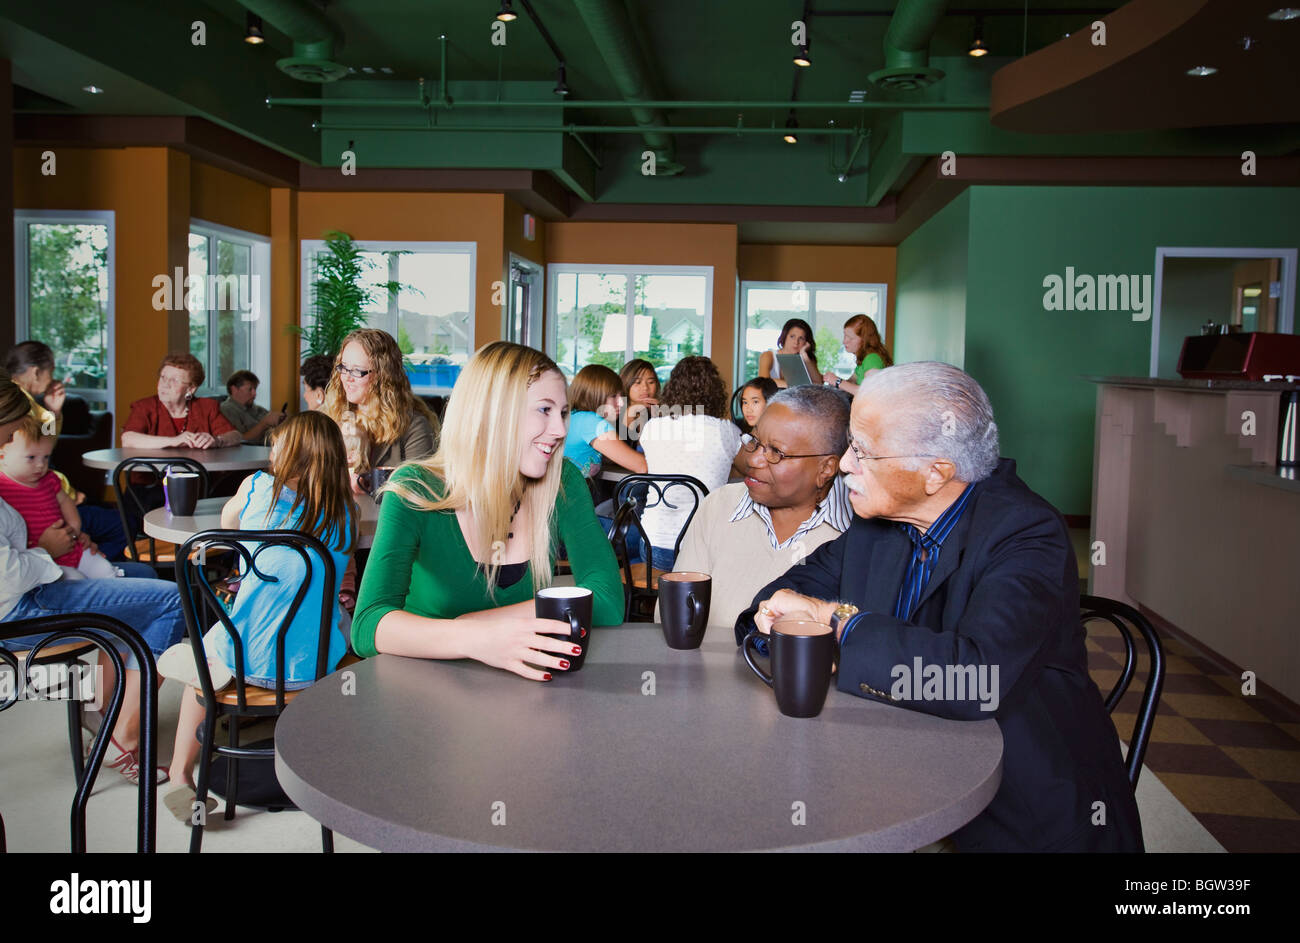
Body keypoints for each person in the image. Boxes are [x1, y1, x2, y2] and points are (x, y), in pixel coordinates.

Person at [739, 362, 1142, 853]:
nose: (844, 464)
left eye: (863, 451)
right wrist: (779, 618)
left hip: (1019, 808)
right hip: (886, 772)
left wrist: (836, 624)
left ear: (936, 473)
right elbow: (769, 604)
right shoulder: (878, 523)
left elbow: (974, 679)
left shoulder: (1027, 534)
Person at [352, 342, 623, 681]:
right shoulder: (416, 488)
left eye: (564, 412)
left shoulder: (562, 481)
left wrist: (479, 624)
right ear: (494, 413)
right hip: (424, 692)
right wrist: (476, 640)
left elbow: (609, 600)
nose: (561, 430)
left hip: (525, 694)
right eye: (544, 409)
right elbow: (368, 625)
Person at [163, 411, 356, 819]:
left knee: (204, 655)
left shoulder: (255, 488)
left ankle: (180, 774)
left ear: (285, 452)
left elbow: (226, 526)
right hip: (311, 668)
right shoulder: (345, 513)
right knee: (335, 611)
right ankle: (330, 751)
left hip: (244, 657)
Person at [0, 374, 186, 786]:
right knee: (173, 599)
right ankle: (122, 738)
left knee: (141, 586)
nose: (9, 439)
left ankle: (106, 713)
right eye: (9, 431)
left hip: (31, 591)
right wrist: (46, 550)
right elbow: (7, 575)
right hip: (24, 605)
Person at [665, 386, 852, 630]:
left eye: (776, 452)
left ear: (826, 468)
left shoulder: (854, 537)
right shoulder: (719, 506)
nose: (753, 460)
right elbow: (675, 613)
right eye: (754, 441)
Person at [5, 340, 128, 559]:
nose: (52, 378)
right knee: (123, 523)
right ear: (35, 372)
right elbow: (40, 454)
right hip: (40, 502)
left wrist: (53, 411)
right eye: (50, 371)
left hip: (47, 492)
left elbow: (44, 446)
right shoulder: (20, 407)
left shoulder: (23, 402)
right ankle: (93, 565)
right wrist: (66, 493)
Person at [635, 356, 742, 571]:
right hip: (704, 552)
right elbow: (753, 469)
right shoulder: (725, 431)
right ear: (715, 392)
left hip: (652, 547)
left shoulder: (651, 427)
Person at [0, 415, 119, 579]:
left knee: (105, 570)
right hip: (38, 561)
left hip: (71, 548)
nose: (41, 465)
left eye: (46, 457)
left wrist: (75, 531)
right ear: (2, 456)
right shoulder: (2, 487)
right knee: (75, 580)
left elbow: (66, 503)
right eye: (31, 458)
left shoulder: (50, 479)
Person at [322, 329, 440, 494]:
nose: (347, 378)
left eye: (357, 371)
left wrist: (368, 488)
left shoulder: (414, 427)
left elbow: (420, 492)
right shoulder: (332, 416)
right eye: (344, 367)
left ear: (382, 376)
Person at [121, 353, 241, 450]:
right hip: (153, 476)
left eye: (174, 380)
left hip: (199, 475)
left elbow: (235, 436)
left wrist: (216, 440)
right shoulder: (145, 407)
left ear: (191, 389)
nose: (165, 384)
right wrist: (175, 441)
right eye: (163, 377)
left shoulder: (206, 407)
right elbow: (128, 439)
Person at [563, 364, 647, 478]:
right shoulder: (591, 421)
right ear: (592, 394)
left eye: (621, 396)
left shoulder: (576, 416)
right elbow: (642, 466)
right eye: (613, 396)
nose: (621, 403)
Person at [824, 314, 892, 395]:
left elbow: (869, 392)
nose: (844, 341)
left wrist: (837, 381)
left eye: (850, 338)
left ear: (864, 340)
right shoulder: (863, 359)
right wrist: (832, 380)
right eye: (845, 336)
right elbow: (852, 381)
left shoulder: (872, 358)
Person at [220, 370, 285, 444]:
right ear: (234, 389)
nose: (254, 394)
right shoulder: (227, 410)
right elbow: (240, 440)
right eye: (250, 389)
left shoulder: (258, 409)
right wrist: (264, 423)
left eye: (255, 389)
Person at [758, 318, 822, 388]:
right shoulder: (768, 356)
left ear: (806, 342)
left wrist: (805, 356)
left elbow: (819, 384)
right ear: (784, 336)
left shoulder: (805, 359)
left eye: (801, 338)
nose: (796, 342)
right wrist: (799, 386)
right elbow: (763, 382)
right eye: (792, 336)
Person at [618, 359, 660, 446]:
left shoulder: (661, 412)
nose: (645, 388)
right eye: (638, 382)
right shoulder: (614, 414)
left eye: (651, 382)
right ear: (625, 383)